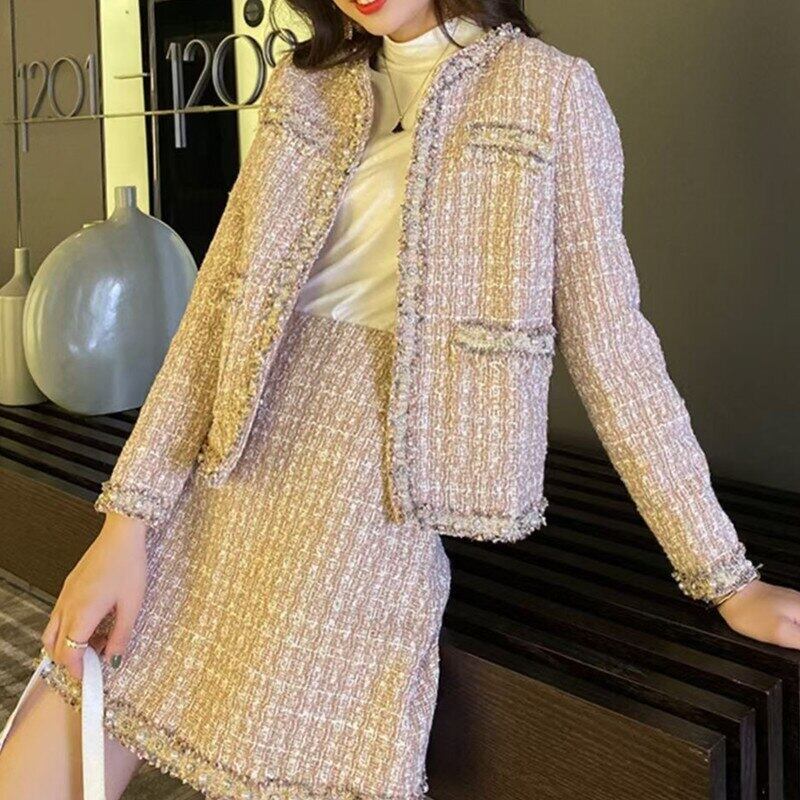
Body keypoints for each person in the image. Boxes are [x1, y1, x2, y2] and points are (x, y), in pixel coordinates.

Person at [1, 2, 799, 799]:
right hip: (219, 461)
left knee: (288, 755)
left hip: (371, 485)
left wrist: (727, 577)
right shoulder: (306, 84)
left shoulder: (548, 90)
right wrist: (124, 525)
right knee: (63, 716)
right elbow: (215, 310)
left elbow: (613, 346)